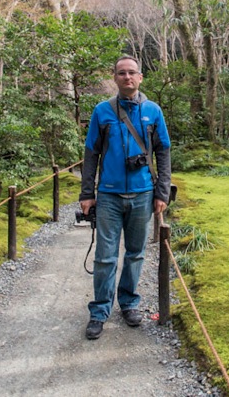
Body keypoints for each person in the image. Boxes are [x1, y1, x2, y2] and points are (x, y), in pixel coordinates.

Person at [79, 55, 171, 340]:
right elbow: (91, 153)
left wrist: (162, 191)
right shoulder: (102, 112)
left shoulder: (153, 111)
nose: (127, 77)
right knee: (106, 256)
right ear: (115, 78)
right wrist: (87, 194)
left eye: (132, 73)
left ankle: (129, 303)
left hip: (143, 193)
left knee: (136, 253)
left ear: (140, 77)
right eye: (121, 73)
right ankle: (99, 311)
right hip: (108, 194)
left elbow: (163, 151)